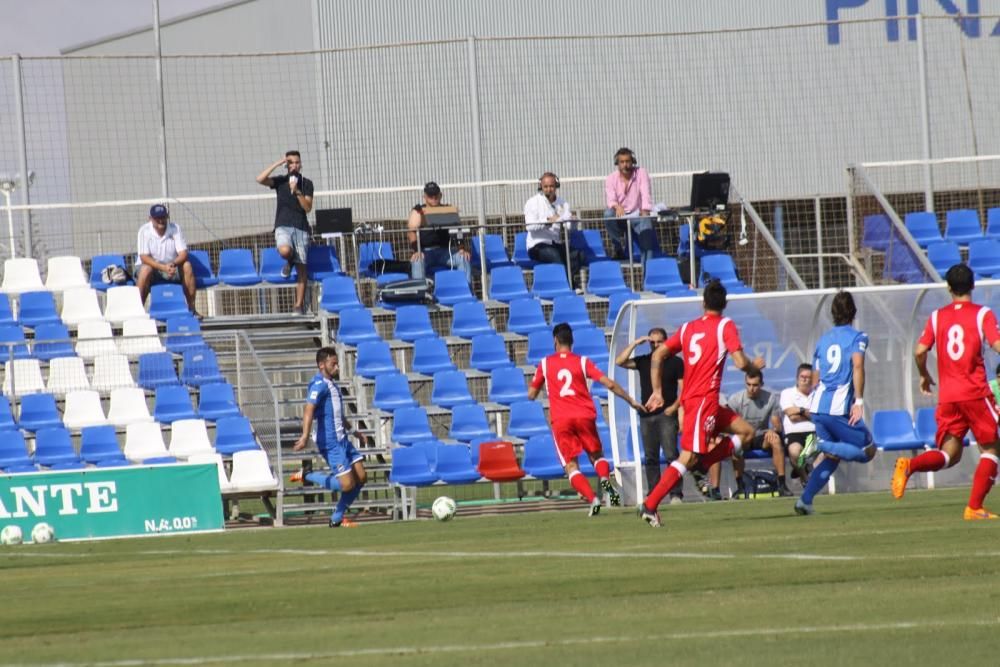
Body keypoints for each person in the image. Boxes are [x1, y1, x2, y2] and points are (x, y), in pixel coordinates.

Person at [638, 280, 764, 527]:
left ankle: (704, 465)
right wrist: (753, 366)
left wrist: (656, 391)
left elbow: (657, 354)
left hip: (708, 403)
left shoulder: (687, 329)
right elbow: (740, 363)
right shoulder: (725, 325)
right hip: (701, 402)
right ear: (725, 304)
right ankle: (650, 504)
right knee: (687, 457)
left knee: (747, 433)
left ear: (703, 302)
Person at [892, 264, 1000, 520]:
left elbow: (919, 351)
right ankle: (974, 507)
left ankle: (909, 465)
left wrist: (924, 375)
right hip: (975, 393)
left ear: (949, 288)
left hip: (949, 397)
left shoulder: (937, 317)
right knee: (992, 449)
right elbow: (996, 344)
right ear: (973, 285)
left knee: (950, 455)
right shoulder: (982, 313)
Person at [528, 322, 646, 515]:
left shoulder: (545, 363)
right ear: (572, 342)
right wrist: (630, 400)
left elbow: (531, 395)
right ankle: (604, 480)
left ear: (555, 341)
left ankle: (593, 499)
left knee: (571, 465)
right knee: (596, 456)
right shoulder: (582, 362)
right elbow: (608, 383)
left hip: (561, 419)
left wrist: (546, 386)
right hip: (584, 415)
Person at [794, 290, 876, 516]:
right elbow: (858, 366)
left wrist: (813, 403)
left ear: (832, 314)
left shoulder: (823, 340)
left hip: (819, 406)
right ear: (854, 313)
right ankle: (818, 445)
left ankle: (805, 500)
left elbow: (816, 376)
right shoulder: (858, 337)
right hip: (838, 408)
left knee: (833, 458)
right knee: (868, 450)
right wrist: (858, 401)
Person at [292, 347, 367, 527]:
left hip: (343, 439)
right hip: (331, 442)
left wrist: (353, 430)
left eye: (337, 363)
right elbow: (309, 410)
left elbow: (337, 414)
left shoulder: (332, 384)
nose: (337, 367)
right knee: (347, 484)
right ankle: (307, 475)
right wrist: (304, 436)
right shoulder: (318, 385)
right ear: (321, 365)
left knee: (362, 477)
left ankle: (337, 518)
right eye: (333, 364)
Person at [614, 327, 684, 502]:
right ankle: (654, 494)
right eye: (652, 342)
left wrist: (677, 409)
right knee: (651, 457)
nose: (655, 345)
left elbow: (684, 389)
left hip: (667, 414)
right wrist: (636, 343)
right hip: (647, 415)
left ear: (666, 342)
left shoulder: (676, 362)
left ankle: (676, 494)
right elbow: (620, 361)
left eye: (659, 341)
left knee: (671, 455)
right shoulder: (645, 361)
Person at [256, 150, 314, 315]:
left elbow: (308, 207)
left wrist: (296, 191)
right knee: (285, 250)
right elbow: (260, 179)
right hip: (283, 225)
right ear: (287, 165)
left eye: (297, 162)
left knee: (302, 267)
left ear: (300, 164)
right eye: (291, 162)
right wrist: (278, 163)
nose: (294, 165)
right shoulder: (280, 181)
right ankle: (289, 261)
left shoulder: (307, 183)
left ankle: (298, 305)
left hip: (301, 227)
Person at [726, 367, 792, 497]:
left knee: (776, 441)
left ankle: (782, 485)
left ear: (761, 384)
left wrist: (773, 431)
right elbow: (727, 424)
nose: (751, 388)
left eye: (755, 385)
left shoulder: (770, 398)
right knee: (736, 447)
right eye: (748, 385)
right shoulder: (736, 400)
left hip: (761, 435)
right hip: (743, 435)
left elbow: (777, 425)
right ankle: (740, 487)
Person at [523, 172, 585, 289]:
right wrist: (549, 221)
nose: (549, 189)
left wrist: (572, 221)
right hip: (536, 245)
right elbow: (529, 227)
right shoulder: (532, 202)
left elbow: (568, 228)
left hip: (555, 243)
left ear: (556, 186)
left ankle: (565, 282)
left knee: (579, 255)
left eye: (551, 186)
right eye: (545, 186)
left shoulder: (563, 203)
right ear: (540, 186)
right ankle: (570, 285)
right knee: (554, 255)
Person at [135, 204, 197, 314]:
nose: (160, 220)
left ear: (167, 217)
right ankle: (138, 311)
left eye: (163, 217)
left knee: (187, 266)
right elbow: (144, 258)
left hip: (171, 267)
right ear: (150, 219)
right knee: (145, 269)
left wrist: (172, 264)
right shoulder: (144, 231)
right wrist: (162, 267)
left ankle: (192, 309)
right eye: (157, 218)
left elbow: (183, 253)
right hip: (151, 268)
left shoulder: (175, 228)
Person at [408, 182, 472, 284]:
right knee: (417, 261)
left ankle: (466, 290)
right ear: (424, 196)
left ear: (440, 195)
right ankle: (419, 294)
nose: (433, 198)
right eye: (430, 196)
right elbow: (411, 231)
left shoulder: (448, 209)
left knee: (463, 258)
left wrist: (461, 249)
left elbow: (458, 230)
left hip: (446, 251)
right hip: (426, 252)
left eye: (436, 195)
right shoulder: (418, 210)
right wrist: (416, 250)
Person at [603, 147, 655, 266]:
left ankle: (648, 271)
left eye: (628, 161)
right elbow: (610, 200)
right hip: (620, 217)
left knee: (646, 222)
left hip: (637, 215)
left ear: (633, 162)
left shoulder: (641, 172)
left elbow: (645, 193)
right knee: (608, 214)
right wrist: (617, 206)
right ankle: (617, 248)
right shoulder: (611, 178)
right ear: (617, 163)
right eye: (622, 162)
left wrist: (645, 209)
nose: (625, 165)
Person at [780, 363, 817, 485]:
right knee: (795, 452)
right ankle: (804, 477)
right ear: (797, 378)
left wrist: (798, 411)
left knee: (826, 451)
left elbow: (817, 417)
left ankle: (807, 469)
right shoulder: (787, 393)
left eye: (809, 377)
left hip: (814, 433)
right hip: (794, 434)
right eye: (802, 377)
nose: (805, 380)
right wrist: (805, 411)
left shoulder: (818, 394)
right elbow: (792, 416)